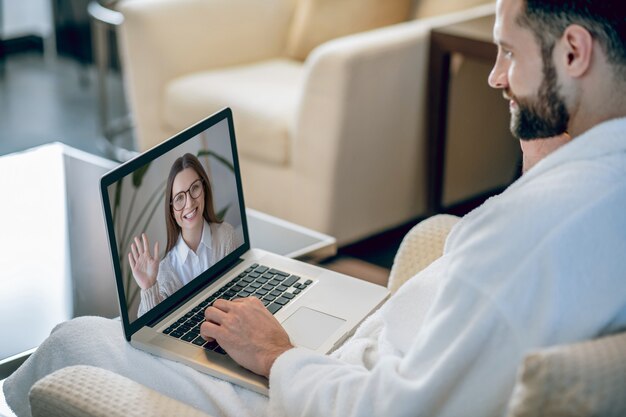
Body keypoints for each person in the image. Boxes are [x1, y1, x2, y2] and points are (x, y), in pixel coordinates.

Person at [4, 0, 626, 416]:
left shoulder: (530, 237)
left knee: (74, 341)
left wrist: (275, 355)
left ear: (573, 53)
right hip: (357, 346)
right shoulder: (598, 178)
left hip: (322, 390)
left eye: (509, 53)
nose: (494, 77)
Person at [131, 153, 237, 317]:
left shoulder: (225, 236)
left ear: (204, 188)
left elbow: (237, 295)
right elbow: (151, 327)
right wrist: (148, 287)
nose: (189, 203)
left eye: (195, 188)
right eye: (180, 197)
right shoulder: (164, 271)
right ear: (172, 210)